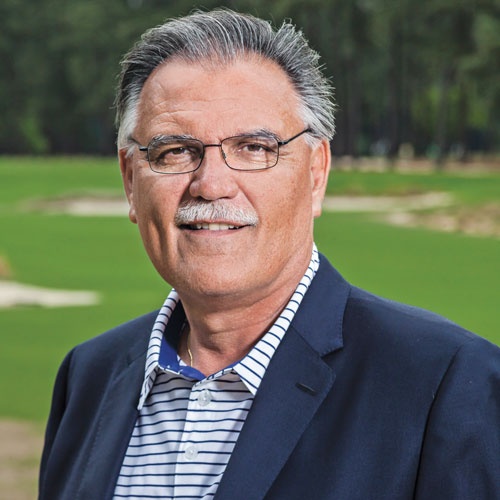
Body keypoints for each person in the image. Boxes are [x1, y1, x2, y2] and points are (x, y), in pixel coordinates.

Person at [39, 9, 500, 500]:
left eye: (254, 147)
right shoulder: (87, 378)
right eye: (174, 151)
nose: (211, 184)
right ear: (131, 181)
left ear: (316, 173)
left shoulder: (446, 383)